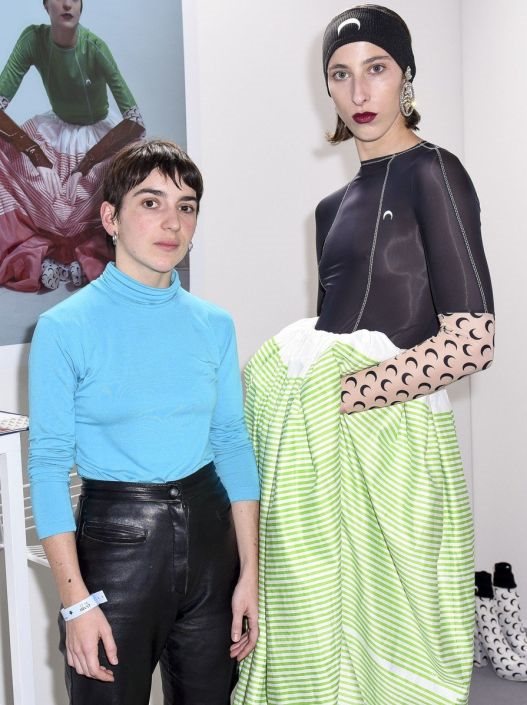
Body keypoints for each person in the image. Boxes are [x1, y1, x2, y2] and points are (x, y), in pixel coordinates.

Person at [234, 6, 494, 705]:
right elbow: (334, 338)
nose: (359, 92)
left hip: (397, 454)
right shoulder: (329, 209)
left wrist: (342, 395)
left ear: (405, 75)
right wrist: (307, 392)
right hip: (318, 459)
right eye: (340, 75)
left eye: (375, 69)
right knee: (318, 659)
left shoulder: (434, 172)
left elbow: (472, 340)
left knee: (402, 664)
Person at [28, 139, 260, 705]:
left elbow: (232, 444)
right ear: (111, 218)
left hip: (212, 542)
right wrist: (76, 603)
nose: (172, 222)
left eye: (186, 206)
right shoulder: (65, 328)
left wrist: (250, 574)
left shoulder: (214, 325)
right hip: (117, 548)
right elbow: (49, 466)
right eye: (151, 203)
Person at [0, 0, 144, 292]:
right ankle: (45, 255)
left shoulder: (95, 48)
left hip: (98, 141)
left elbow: (136, 121)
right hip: (52, 133)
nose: (67, 4)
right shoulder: (33, 39)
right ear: (45, 5)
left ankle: (84, 255)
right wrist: (35, 154)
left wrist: (86, 164)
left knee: (123, 176)